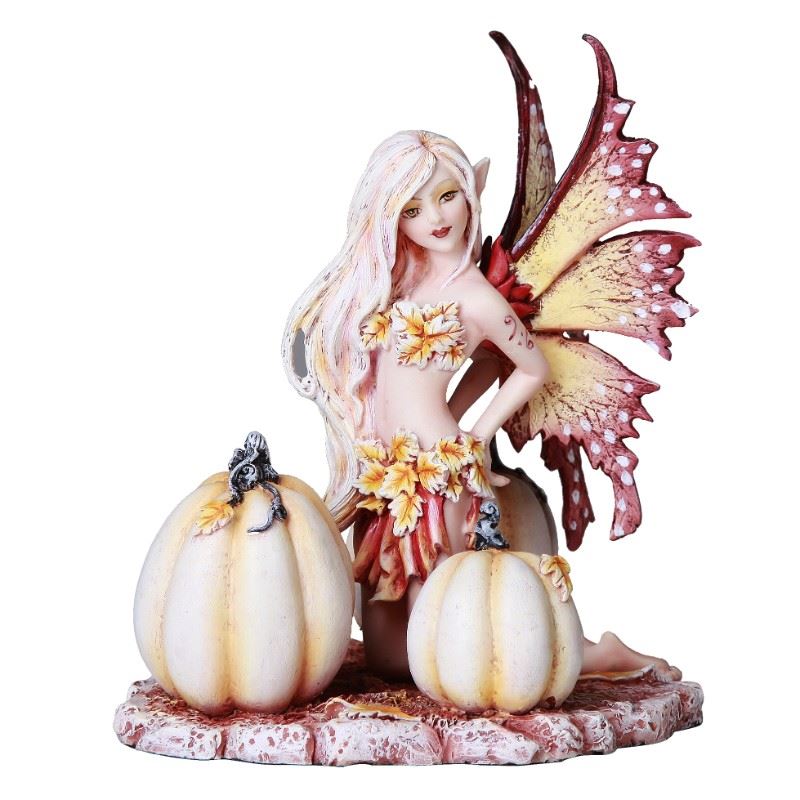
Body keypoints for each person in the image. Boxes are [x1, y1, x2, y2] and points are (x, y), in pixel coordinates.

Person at [283, 130, 680, 681]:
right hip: (384, 473)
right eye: (413, 209)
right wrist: (449, 403)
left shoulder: (478, 296)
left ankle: (588, 654)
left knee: (443, 634)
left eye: (448, 196)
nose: (435, 218)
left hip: (439, 472)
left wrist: (476, 433)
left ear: (471, 193)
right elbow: (489, 363)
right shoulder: (400, 282)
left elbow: (531, 367)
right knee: (389, 659)